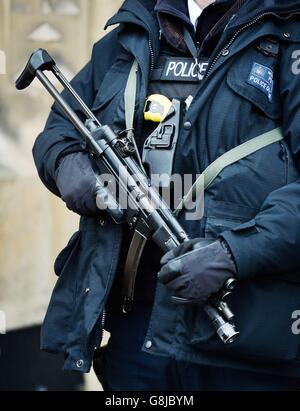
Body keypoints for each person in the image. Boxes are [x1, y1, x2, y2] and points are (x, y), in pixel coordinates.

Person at [33, 0, 300, 391]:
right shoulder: (135, 32)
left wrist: (233, 253)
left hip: (247, 337)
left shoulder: (287, 36)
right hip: (137, 334)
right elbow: (62, 128)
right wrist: (67, 166)